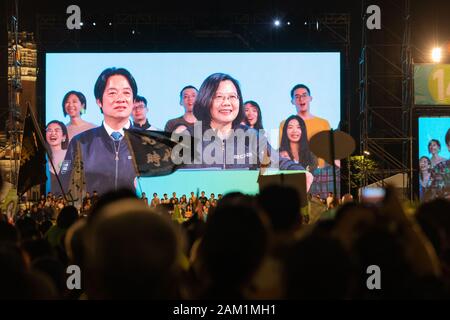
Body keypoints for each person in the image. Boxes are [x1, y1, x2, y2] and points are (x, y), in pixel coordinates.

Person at [60, 67, 138, 195]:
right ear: (99, 101)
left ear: (133, 101)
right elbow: (64, 185)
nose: (120, 99)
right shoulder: (80, 143)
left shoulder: (148, 143)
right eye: (112, 93)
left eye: (126, 93)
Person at [187, 73, 273, 169]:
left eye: (232, 97)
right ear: (205, 100)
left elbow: (280, 163)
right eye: (219, 97)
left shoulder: (252, 136)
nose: (227, 103)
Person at [280, 84, 331, 169]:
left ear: (310, 98)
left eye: (304, 95)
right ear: (292, 101)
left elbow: (329, 151)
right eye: (297, 97)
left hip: (322, 174)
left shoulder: (323, 123)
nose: (301, 99)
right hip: (296, 172)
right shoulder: (284, 124)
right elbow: (283, 151)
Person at [45, 120, 69, 196]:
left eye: (57, 130)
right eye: (49, 130)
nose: (53, 133)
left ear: (64, 137)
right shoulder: (42, 157)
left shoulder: (69, 155)